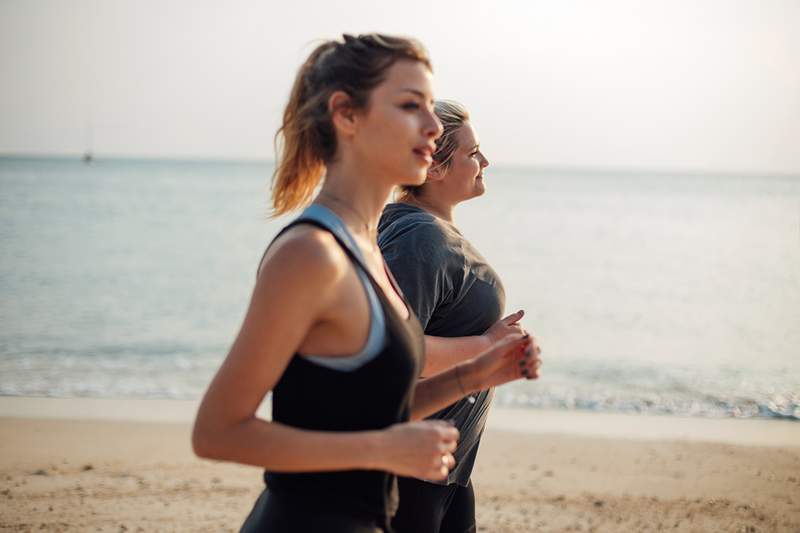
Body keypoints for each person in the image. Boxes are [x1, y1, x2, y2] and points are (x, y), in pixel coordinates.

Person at [191, 34, 541, 533]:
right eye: (409, 105)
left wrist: (476, 373)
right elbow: (217, 433)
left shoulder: (368, 246)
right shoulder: (310, 253)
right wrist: (382, 449)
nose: (431, 125)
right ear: (346, 115)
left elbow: (368, 411)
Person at [378, 99, 525, 533]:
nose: (485, 161)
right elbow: (390, 353)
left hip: (446, 467)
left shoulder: (427, 229)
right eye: (472, 153)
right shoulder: (419, 237)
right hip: (412, 471)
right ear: (435, 168)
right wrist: (485, 347)